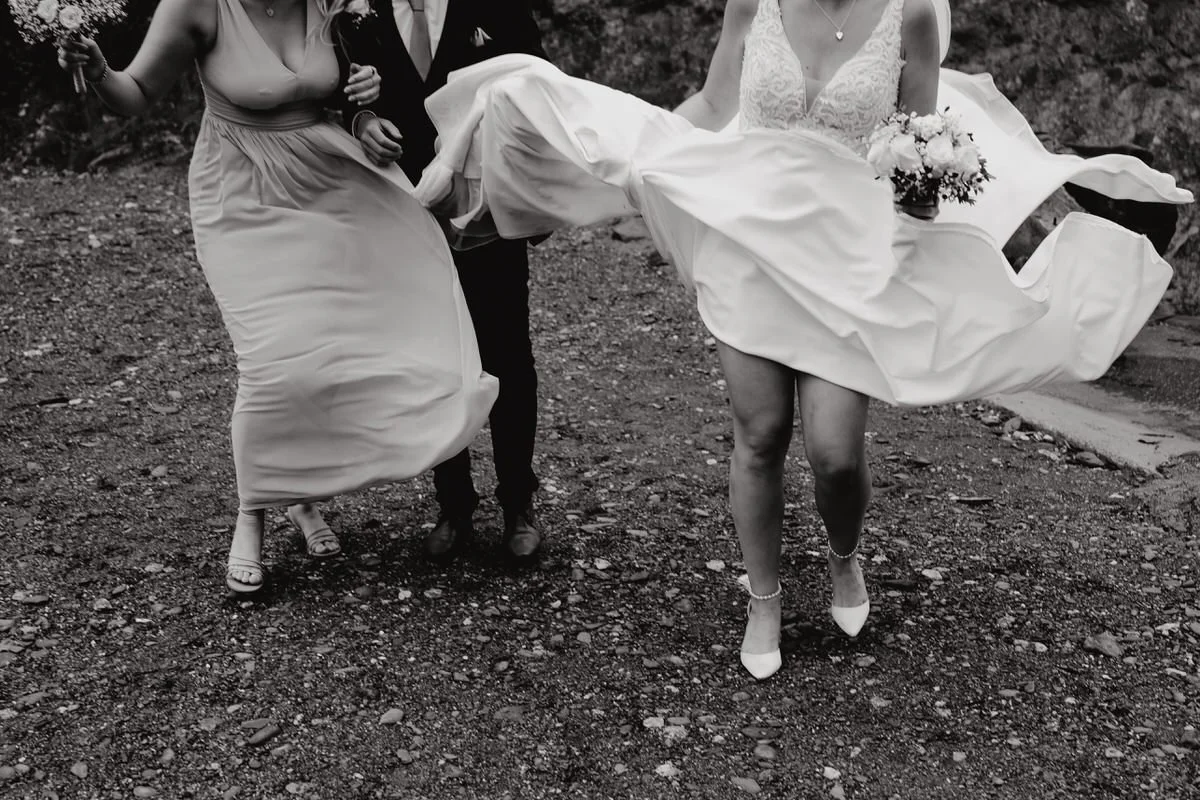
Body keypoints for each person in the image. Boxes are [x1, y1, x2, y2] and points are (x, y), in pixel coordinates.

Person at [411, 0, 1192, 679]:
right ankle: (764, 600)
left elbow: (921, 139)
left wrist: (925, 184)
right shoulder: (751, 4)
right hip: (749, 241)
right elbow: (713, 106)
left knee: (834, 450)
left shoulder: (909, 13)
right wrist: (635, 155)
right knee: (760, 433)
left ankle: (846, 557)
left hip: (846, 258)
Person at [57, 0, 498, 594]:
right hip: (241, 194)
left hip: (328, 183)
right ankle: (252, 512)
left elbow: (347, 94)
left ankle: (300, 493)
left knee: (330, 350)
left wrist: (362, 99)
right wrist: (100, 68)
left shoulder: (335, 3)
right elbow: (135, 92)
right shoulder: (196, 7)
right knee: (271, 362)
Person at [332, 0, 549, 562]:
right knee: (434, 355)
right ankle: (453, 503)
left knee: (506, 353)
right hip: (403, 211)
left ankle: (517, 503)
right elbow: (330, 93)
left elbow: (539, 88)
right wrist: (359, 122)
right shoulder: (357, 13)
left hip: (486, 214)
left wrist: (534, 203)